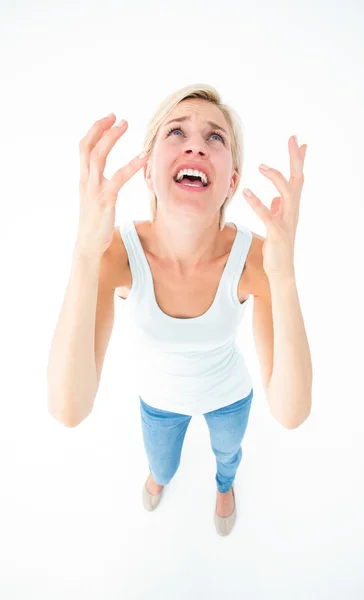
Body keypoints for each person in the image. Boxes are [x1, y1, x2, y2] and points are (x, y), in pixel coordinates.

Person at [47, 84, 266, 537]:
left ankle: (225, 485)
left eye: (215, 138)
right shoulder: (117, 252)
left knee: (229, 454)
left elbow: (292, 403)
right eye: (176, 132)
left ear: (232, 179)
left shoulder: (255, 256)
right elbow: (68, 409)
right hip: (160, 402)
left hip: (229, 396)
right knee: (160, 463)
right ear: (148, 170)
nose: (194, 144)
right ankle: (161, 477)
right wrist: (84, 254)